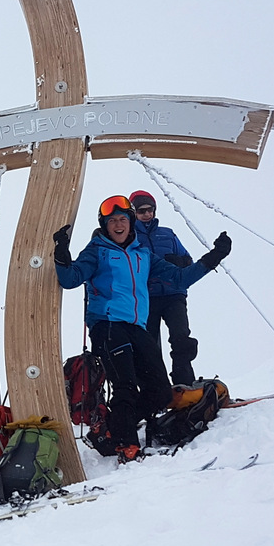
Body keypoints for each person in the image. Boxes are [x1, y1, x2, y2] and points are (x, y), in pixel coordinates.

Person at [53, 195, 231, 461]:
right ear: (104, 225)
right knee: (124, 384)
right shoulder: (97, 250)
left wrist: (215, 256)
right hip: (108, 325)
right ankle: (127, 444)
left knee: (160, 391)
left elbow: (180, 277)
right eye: (111, 220)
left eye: (123, 218)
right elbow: (70, 279)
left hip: (137, 326)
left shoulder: (143, 254)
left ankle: (110, 426)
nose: (118, 224)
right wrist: (61, 253)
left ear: (130, 221)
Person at [129, 190, 199, 386]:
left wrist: (177, 262)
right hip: (145, 297)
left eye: (150, 209)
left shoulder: (167, 234)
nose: (147, 214)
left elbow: (188, 260)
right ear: (134, 212)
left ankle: (184, 384)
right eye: (142, 210)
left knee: (181, 337)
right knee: (148, 345)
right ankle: (156, 390)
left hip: (173, 294)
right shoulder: (129, 237)